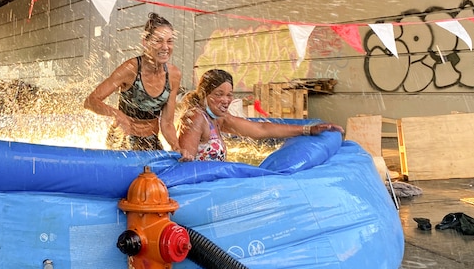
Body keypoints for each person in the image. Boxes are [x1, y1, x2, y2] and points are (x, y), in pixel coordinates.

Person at [177, 69, 344, 161]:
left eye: (229, 94)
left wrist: (308, 129)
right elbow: (186, 165)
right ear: (204, 94)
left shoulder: (218, 119)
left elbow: (261, 129)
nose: (225, 100)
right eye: (219, 94)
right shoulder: (195, 118)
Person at [84, 13, 183, 152]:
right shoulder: (130, 69)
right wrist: (116, 114)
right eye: (158, 41)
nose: (165, 47)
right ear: (145, 42)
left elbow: (166, 123)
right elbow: (90, 101)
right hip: (122, 140)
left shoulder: (174, 75)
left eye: (170, 41)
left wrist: (176, 146)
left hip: (151, 141)